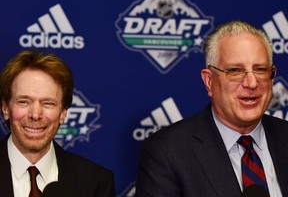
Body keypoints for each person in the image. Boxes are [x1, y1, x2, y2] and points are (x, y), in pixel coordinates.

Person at [135, 21, 288, 197]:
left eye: (260, 69)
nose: (252, 83)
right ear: (209, 81)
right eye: (235, 70)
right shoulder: (167, 152)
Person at [0, 50, 115, 197]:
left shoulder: (96, 182)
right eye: (23, 102)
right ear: (5, 108)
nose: (35, 114)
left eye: (48, 103)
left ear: (63, 113)